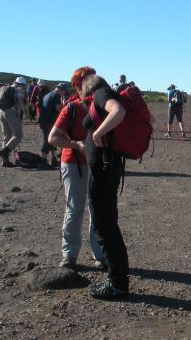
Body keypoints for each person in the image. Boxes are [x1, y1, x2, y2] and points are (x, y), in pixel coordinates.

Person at [71, 66, 130, 301]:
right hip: (109, 164)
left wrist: (97, 134)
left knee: (104, 224)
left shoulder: (100, 94)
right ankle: (117, 279)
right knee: (107, 222)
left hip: (104, 166)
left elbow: (119, 112)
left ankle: (117, 284)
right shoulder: (104, 93)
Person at [48, 87, 106, 271]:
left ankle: (97, 254)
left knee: (94, 208)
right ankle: (70, 254)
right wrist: (75, 144)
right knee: (76, 208)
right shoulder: (71, 108)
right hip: (74, 163)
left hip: (94, 163)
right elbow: (53, 137)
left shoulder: (102, 107)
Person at [0, 77, 27, 167]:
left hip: (1, 112)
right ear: (21, 84)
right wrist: (26, 113)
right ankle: (5, 152)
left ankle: (5, 161)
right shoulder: (18, 89)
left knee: (7, 136)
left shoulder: (3, 88)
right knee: (18, 135)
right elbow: (20, 103)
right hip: (11, 112)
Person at [38, 82, 71, 167]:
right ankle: (43, 160)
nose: (64, 94)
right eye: (64, 92)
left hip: (44, 120)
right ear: (62, 90)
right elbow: (59, 108)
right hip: (48, 121)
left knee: (50, 139)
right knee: (48, 140)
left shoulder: (48, 94)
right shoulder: (56, 95)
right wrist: (67, 113)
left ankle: (53, 159)